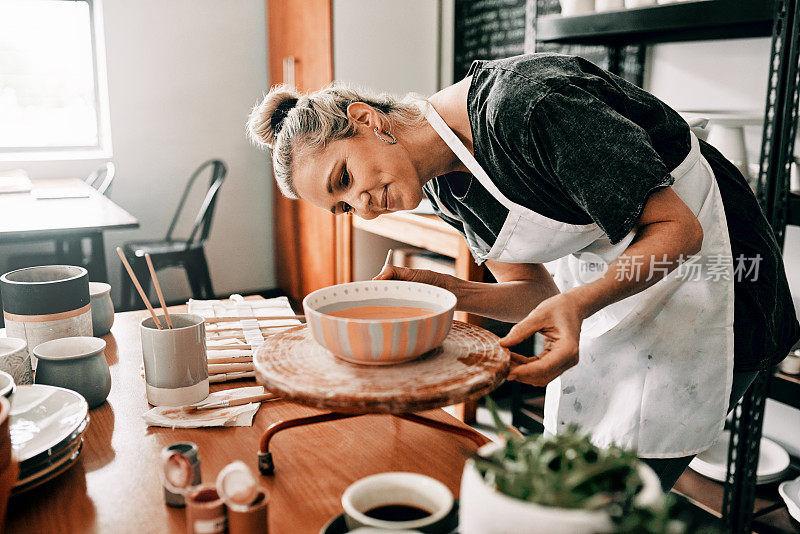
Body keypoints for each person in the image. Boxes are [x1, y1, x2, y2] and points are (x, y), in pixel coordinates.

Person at [247, 53, 799, 490]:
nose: (363, 208)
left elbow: (678, 231)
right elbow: (533, 291)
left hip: (716, 282)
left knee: (619, 491)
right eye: (343, 207)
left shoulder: (529, 105)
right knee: (588, 481)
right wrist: (443, 290)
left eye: (344, 178)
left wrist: (581, 302)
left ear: (366, 120)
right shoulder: (446, 185)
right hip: (617, 291)